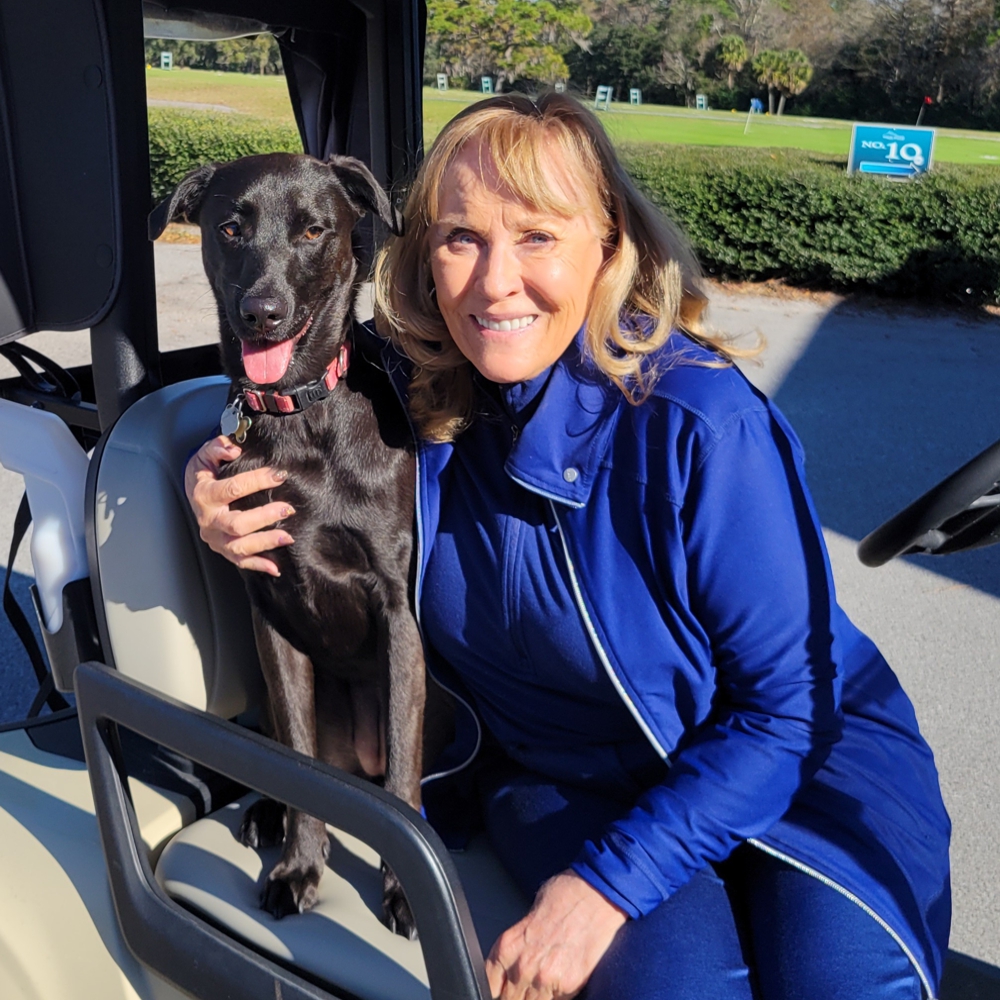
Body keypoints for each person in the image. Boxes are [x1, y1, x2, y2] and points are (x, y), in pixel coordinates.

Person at [185, 93, 951, 1000]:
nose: (495, 280)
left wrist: (604, 888)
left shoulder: (701, 425)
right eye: (461, 237)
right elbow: (289, 407)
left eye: (538, 236)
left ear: (611, 241)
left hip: (801, 775)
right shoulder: (414, 400)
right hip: (564, 779)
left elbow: (787, 709)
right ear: (425, 257)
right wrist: (209, 477)